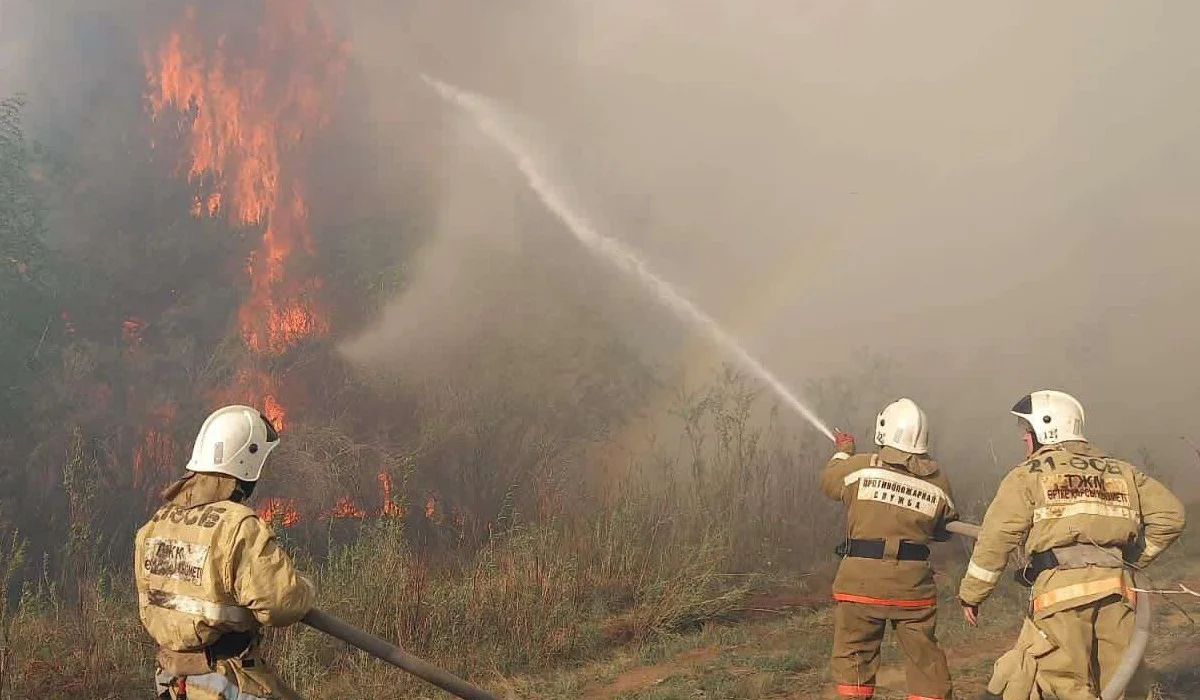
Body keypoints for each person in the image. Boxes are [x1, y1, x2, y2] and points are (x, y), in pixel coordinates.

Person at [959, 390, 1186, 700]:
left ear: (1046, 429)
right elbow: (1171, 517)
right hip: (1118, 589)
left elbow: (995, 537)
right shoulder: (1123, 471)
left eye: (1027, 433)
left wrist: (972, 594)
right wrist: (1131, 560)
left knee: (1062, 682)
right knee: (1119, 681)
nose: (1024, 441)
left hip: (1060, 595)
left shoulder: (1028, 475)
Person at [135, 405, 317, 700]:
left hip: (172, 680)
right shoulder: (239, 527)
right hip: (224, 681)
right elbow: (282, 603)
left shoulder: (156, 524)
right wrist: (304, 587)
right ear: (247, 466)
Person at [821, 398, 958, 700]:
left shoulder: (861, 467)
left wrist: (843, 451)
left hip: (860, 584)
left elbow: (830, 481)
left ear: (884, 429)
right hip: (912, 589)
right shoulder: (939, 481)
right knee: (926, 663)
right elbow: (944, 529)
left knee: (854, 659)